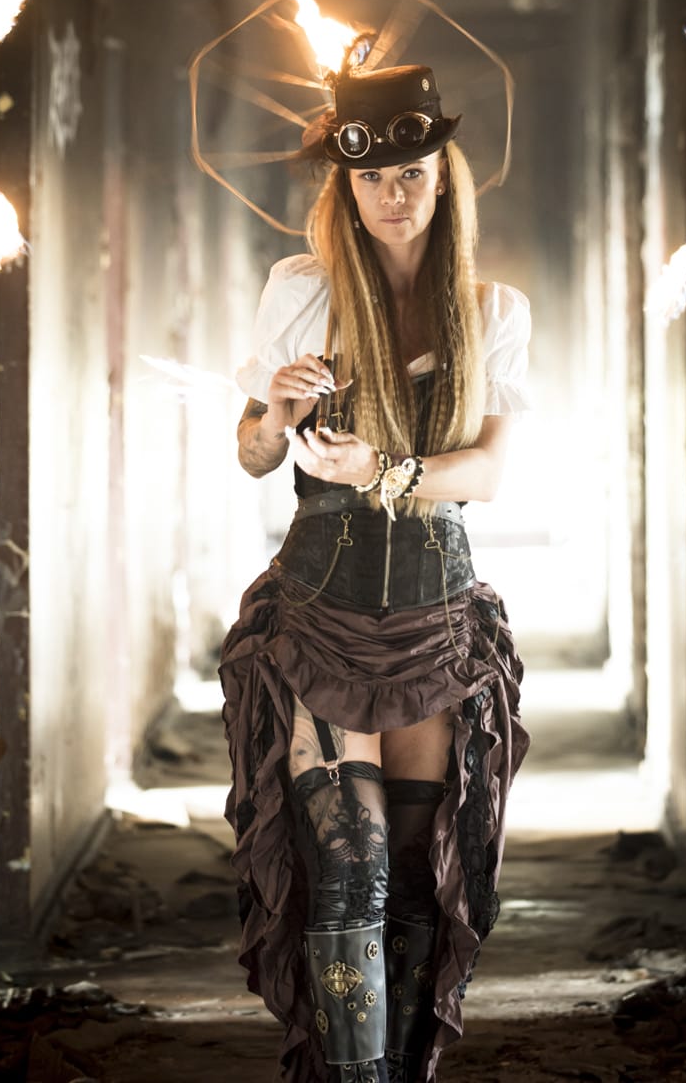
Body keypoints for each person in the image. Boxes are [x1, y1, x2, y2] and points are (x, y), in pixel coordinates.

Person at [220, 61, 531, 1083]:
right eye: (371, 177)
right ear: (345, 188)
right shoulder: (301, 292)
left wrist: (385, 470)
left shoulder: (492, 312)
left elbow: (485, 474)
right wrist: (277, 412)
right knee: (346, 873)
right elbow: (253, 456)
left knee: (414, 882)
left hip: (436, 626)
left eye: (412, 172)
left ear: (444, 178)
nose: (393, 194)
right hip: (320, 619)